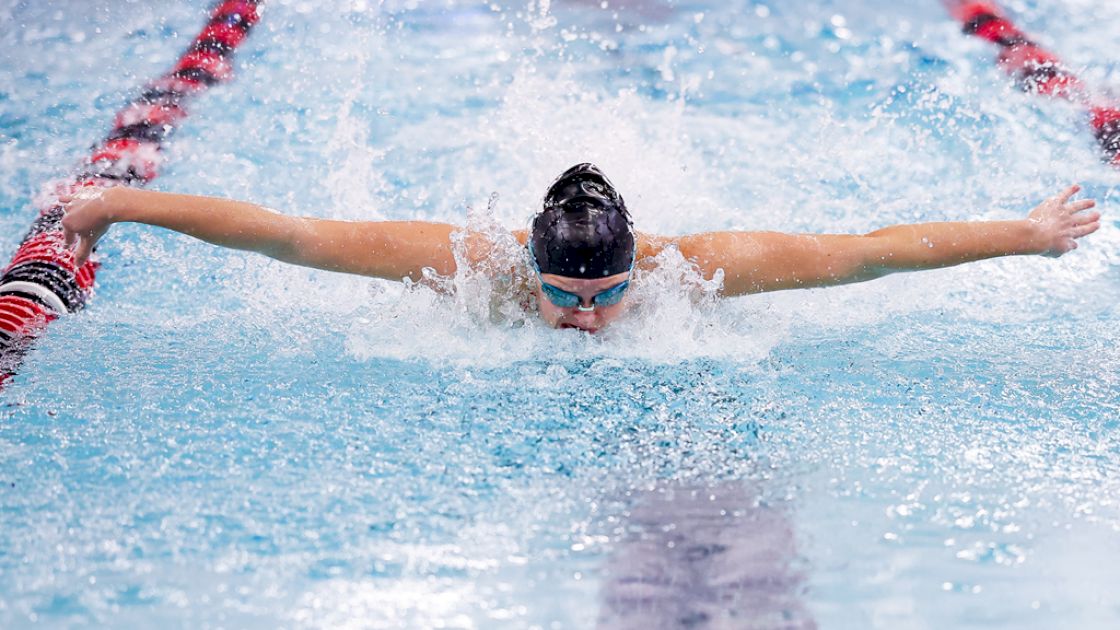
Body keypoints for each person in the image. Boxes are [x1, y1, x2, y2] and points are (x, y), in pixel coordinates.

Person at [59, 163, 1100, 333]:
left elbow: (867, 253)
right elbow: (294, 235)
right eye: (563, 296)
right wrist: (122, 204)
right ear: (529, 265)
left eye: (598, 298)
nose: (584, 318)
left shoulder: (695, 268)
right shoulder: (476, 265)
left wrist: (1024, 236)